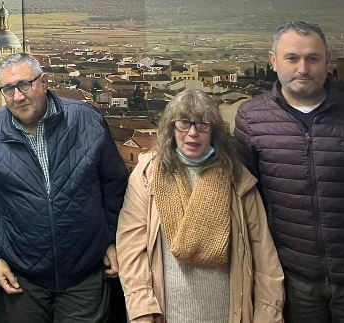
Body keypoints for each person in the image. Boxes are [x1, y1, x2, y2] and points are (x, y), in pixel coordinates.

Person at [0, 52, 128, 323]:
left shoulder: (86, 120)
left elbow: (114, 187)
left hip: (85, 273)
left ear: (44, 82)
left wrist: (112, 238)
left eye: (24, 85)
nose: (18, 96)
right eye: (8, 89)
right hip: (22, 277)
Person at [235, 21, 344, 322]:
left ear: (327, 59)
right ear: (273, 61)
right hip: (293, 278)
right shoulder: (252, 117)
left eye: (312, 58)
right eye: (292, 58)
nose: (303, 69)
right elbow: (248, 196)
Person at [117, 90, 284, 323]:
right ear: (171, 128)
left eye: (203, 124)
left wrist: (268, 316)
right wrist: (141, 309)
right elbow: (131, 249)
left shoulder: (238, 180)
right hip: (165, 314)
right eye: (184, 123)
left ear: (214, 131)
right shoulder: (147, 175)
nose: (192, 133)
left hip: (228, 313)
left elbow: (264, 256)